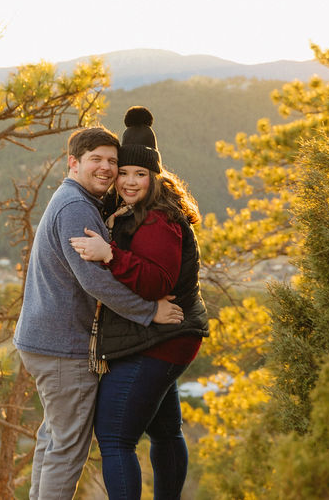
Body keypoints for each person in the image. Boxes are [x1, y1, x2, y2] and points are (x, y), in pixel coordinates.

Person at [13, 125, 184, 500]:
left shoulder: (74, 199)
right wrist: (148, 312)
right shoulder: (76, 206)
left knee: (54, 438)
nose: (107, 168)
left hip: (45, 341)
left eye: (113, 161)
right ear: (73, 163)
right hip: (62, 347)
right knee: (68, 449)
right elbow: (96, 281)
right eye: (97, 160)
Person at [71, 107, 209, 500]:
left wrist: (109, 253)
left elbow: (155, 282)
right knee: (165, 430)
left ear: (155, 176)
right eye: (124, 172)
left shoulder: (158, 220)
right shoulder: (138, 211)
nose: (130, 181)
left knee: (115, 436)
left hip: (163, 337)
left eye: (140, 174)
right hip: (166, 335)